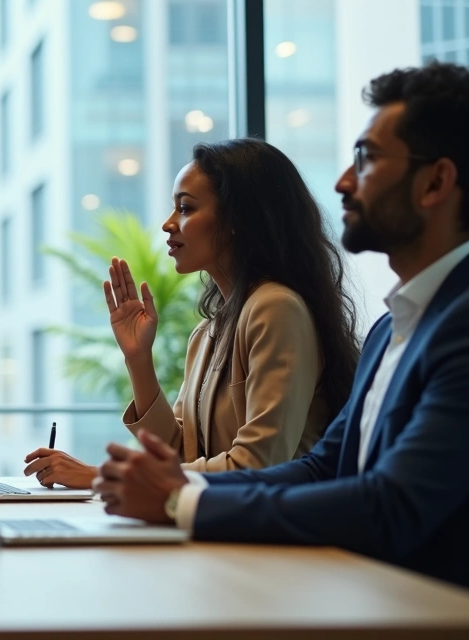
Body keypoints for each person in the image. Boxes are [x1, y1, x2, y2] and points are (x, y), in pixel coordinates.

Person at [94, 62, 469, 588]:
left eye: (366, 158)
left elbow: (389, 503)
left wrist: (178, 499)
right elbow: (321, 468)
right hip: (364, 594)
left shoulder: (459, 328)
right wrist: (171, 489)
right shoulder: (391, 331)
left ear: (435, 182)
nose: (342, 181)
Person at [24, 139, 360, 489]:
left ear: (237, 219)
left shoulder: (275, 308)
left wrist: (102, 476)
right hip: (222, 526)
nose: (168, 224)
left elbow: (257, 465)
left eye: (185, 209)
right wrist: (138, 359)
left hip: (268, 535)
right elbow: (178, 456)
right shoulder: (208, 331)